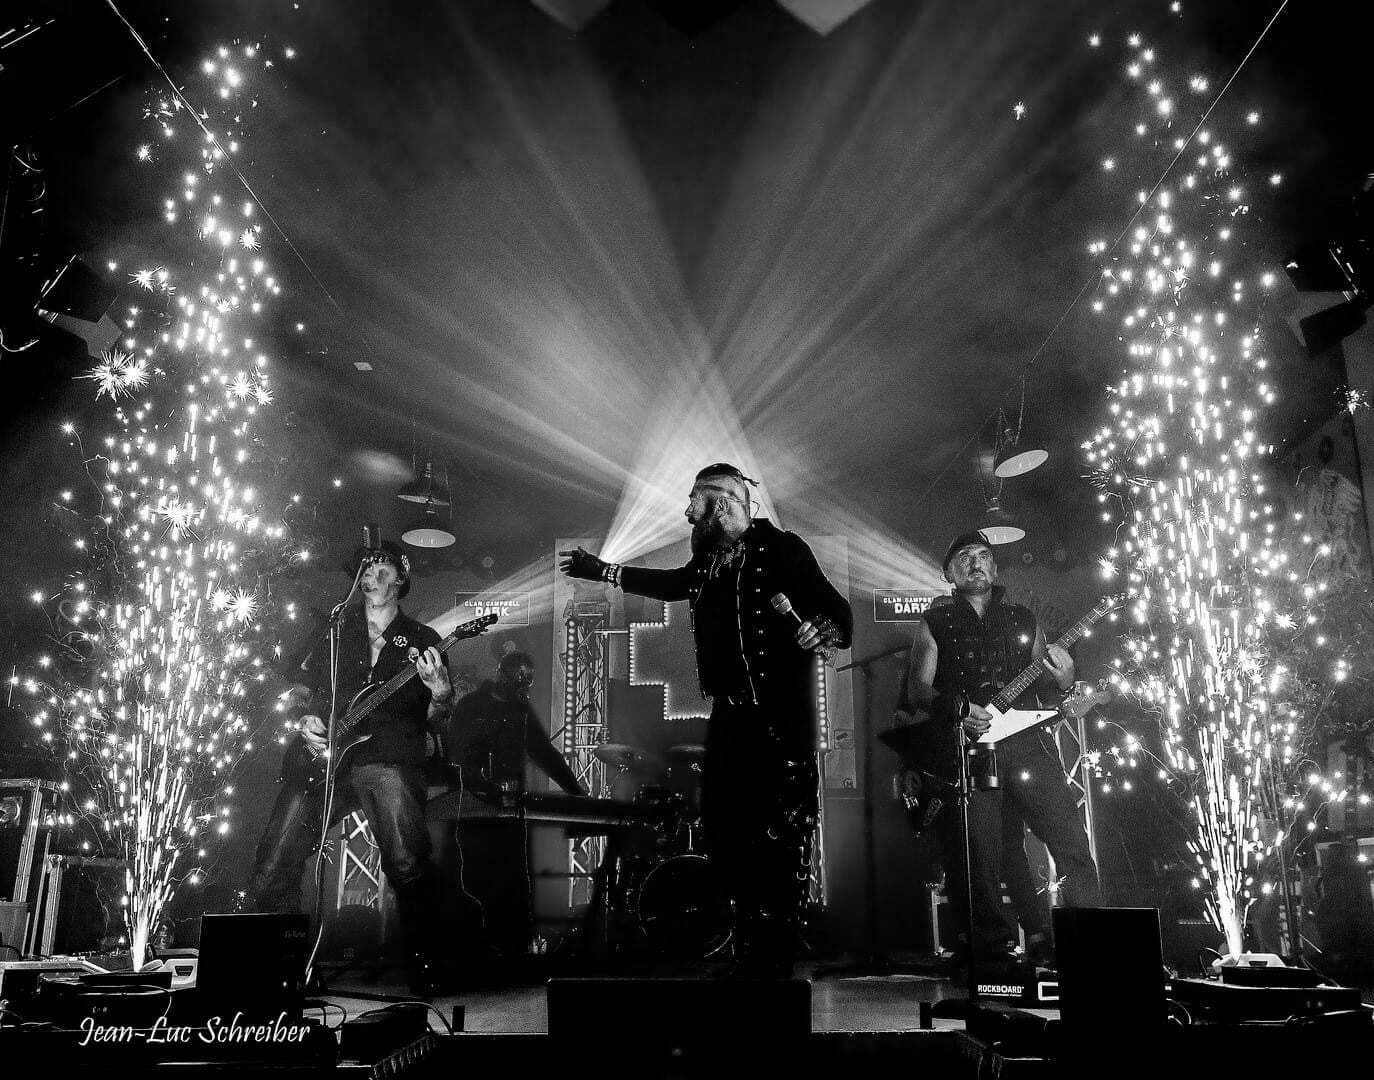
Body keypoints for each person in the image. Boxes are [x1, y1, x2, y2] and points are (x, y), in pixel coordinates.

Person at [560, 462, 852, 976]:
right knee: (726, 835)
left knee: (781, 839)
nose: (686, 509)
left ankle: (775, 958)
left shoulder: (784, 550)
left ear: (721, 499)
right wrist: (603, 570)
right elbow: (669, 583)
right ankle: (745, 946)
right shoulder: (710, 563)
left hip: (782, 720)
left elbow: (838, 614)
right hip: (732, 721)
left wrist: (822, 628)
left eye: (694, 498)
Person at [248, 541, 454, 995]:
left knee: (406, 862)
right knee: (276, 856)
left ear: (400, 577)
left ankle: (428, 964)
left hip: (387, 756)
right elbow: (298, 691)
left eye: (382, 567)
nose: (371, 575)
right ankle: (275, 972)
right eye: (366, 568)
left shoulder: (422, 640)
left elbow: (438, 720)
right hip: (323, 759)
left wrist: (439, 692)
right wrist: (304, 720)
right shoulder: (335, 632)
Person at [896, 530, 1099, 964]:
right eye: (965, 557)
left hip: (1028, 744)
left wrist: (1065, 678)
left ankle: (1091, 942)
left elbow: (1048, 684)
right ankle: (991, 951)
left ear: (995, 567)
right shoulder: (935, 623)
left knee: (1069, 839)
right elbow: (917, 689)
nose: (976, 562)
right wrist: (958, 707)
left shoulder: (1024, 619)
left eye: (984, 555)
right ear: (948, 573)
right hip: (973, 753)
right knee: (981, 855)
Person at [439, 650, 585, 971]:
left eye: (528, 680)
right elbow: (454, 753)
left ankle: (514, 952)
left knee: (515, 876)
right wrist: (480, 781)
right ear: (502, 673)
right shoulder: (471, 706)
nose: (523, 685)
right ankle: (472, 952)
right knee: (473, 874)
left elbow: (545, 753)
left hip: (509, 811)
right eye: (519, 677)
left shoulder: (520, 711)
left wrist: (576, 791)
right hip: (474, 807)